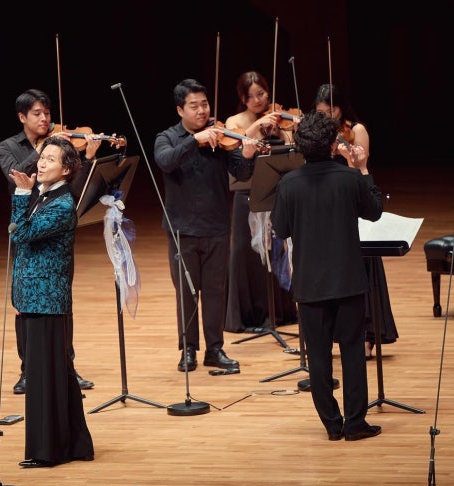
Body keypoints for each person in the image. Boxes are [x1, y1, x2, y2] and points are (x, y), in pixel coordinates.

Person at [271, 110, 383, 441]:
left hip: (310, 284)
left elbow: (280, 229)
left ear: (300, 146)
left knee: (319, 358)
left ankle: (332, 425)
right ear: (334, 144)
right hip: (348, 280)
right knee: (352, 352)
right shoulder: (350, 178)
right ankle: (355, 424)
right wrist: (363, 168)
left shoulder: (288, 184)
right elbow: (374, 212)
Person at [153, 78, 258, 372]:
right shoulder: (167, 137)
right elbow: (165, 161)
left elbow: (241, 172)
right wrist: (194, 141)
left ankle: (215, 349)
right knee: (186, 292)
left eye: (205, 104)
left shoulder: (221, 136)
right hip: (182, 228)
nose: (202, 111)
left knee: (215, 290)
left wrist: (247, 155)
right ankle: (188, 349)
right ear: (180, 109)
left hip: (217, 226)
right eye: (194, 106)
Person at [0, 88, 97, 394]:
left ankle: (65, 365)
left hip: (52, 234)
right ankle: (28, 369)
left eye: (47, 113)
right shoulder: (8, 147)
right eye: (37, 113)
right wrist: (44, 149)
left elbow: (73, 190)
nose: (44, 118)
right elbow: (16, 175)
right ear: (22, 117)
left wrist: (86, 158)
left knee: (58, 301)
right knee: (24, 304)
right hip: (26, 225)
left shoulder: (61, 159)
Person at [9, 135, 95, 468]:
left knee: (45, 379)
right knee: (55, 375)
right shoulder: (44, 197)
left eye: (50, 159)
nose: (42, 163)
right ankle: (73, 444)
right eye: (42, 157)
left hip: (46, 301)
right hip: (33, 299)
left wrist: (20, 195)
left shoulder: (61, 205)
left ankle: (48, 451)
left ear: (67, 169)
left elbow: (21, 233)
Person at [313, 83, 398, 360]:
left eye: (331, 111)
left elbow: (360, 168)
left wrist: (345, 155)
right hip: (328, 203)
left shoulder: (356, 130)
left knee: (362, 267)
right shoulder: (318, 132)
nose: (327, 117)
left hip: (353, 198)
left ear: (341, 107)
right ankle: (336, 335)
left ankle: (368, 335)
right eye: (321, 112)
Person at [223, 71, 297, 334]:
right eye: (250, 96)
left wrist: (284, 131)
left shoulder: (278, 117)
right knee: (246, 254)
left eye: (261, 94)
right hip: (246, 196)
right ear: (242, 98)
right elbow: (237, 155)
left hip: (276, 194)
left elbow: (291, 150)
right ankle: (247, 316)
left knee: (277, 251)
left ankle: (278, 313)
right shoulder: (234, 121)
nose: (257, 100)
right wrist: (257, 127)